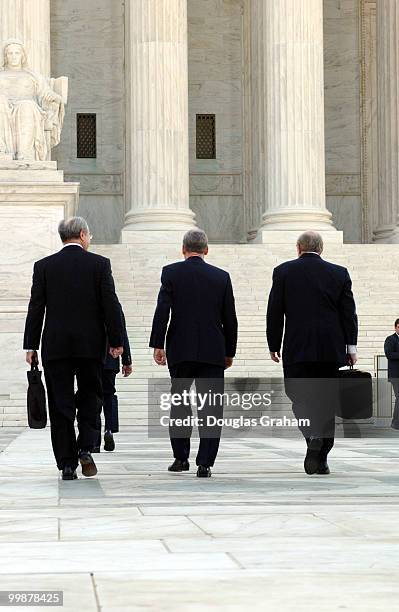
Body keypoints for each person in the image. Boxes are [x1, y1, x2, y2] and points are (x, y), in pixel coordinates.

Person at [23, 216, 124, 480]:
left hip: (56, 346)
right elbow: (110, 305)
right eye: (89, 236)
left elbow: (36, 308)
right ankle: (86, 448)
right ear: (81, 234)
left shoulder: (44, 266)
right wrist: (116, 341)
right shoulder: (100, 265)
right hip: (90, 346)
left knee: (60, 403)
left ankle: (67, 464)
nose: (90, 240)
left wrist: (30, 345)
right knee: (92, 397)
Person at [267, 231, 358, 475]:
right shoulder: (339, 273)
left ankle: (312, 437)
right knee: (326, 402)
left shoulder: (283, 271)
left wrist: (273, 343)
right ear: (321, 248)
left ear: (298, 248)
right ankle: (322, 456)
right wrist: (351, 347)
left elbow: (275, 311)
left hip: (297, 347)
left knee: (299, 399)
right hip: (330, 348)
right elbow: (348, 313)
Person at [149, 229, 238, 477]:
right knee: (210, 407)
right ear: (206, 250)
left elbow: (162, 310)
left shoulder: (171, 273)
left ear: (183, 249)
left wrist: (158, 344)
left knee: (179, 404)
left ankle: (180, 458)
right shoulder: (221, 277)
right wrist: (229, 350)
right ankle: (205, 462)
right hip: (212, 350)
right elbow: (229, 318)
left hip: (180, 349)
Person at [93, 310, 132, 452]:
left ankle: (94, 439)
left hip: (91, 358)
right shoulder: (114, 306)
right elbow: (122, 332)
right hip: (111, 358)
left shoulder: (89, 300)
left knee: (92, 396)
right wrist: (126, 360)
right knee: (109, 395)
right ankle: (109, 429)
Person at [384, 319, 399, 430]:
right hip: (396, 375)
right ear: (395, 327)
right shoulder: (390, 339)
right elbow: (389, 354)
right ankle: (395, 423)